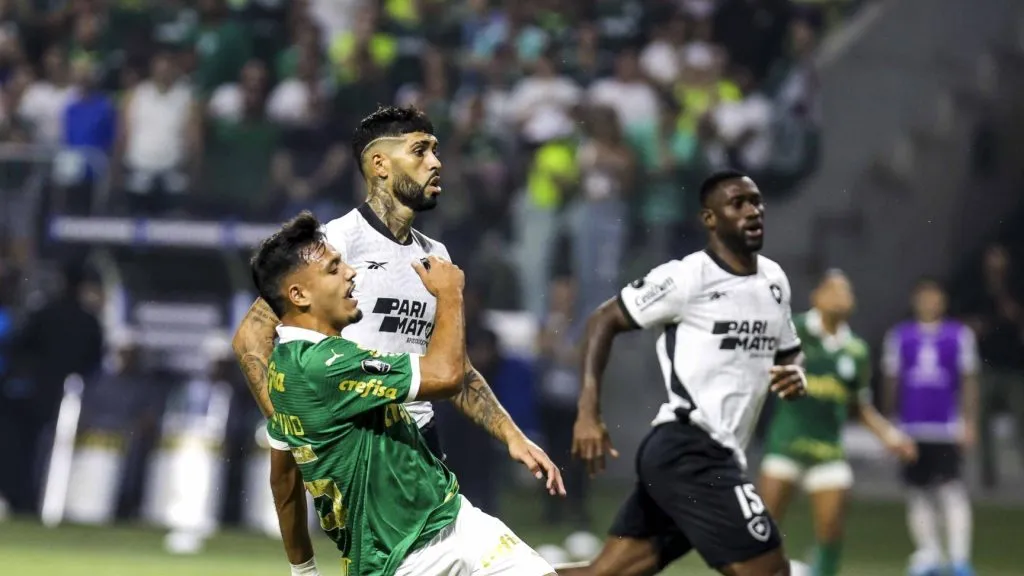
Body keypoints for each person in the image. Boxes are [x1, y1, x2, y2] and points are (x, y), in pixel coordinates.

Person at [231, 106, 564, 574]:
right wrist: (306, 433)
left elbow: (454, 369)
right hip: (364, 461)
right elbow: (251, 335)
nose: (436, 162)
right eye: (420, 150)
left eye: (436, 150)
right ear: (380, 164)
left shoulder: (435, 256)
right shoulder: (334, 246)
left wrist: (512, 436)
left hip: (421, 450)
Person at [558, 169, 811, 576]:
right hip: (690, 449)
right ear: (710, 219)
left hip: (710, 454)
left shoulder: (774, 280)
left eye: (756, 201)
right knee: (770, 572)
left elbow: (790, 353)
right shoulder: (687, 277)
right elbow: (603, 320)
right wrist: (588, 412)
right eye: (737, 204)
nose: (753, 211)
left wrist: (796, 374)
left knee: (605, 574)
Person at [758, 269, 918, 576]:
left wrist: (890, 436)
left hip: (828, 450)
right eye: (833, 290)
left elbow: (859, 406)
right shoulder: (794, 331)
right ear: (816, 297)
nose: (840, 297)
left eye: (846, 292)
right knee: (763, 526)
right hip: (786, 445)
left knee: (831, 529)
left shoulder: (855, 350)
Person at [883, 279, 979, 576]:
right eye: (924, 297)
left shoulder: (959, 335)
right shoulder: (900, 336)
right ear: (915, 301)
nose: (929, 302)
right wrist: (889, 423)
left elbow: (968, 379)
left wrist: (969, 421)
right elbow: (891, 380)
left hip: (946, 427)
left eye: (934, 297)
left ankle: (959, 559)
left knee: (951, 490)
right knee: (917, 492)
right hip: (911, 426)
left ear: (943, 301)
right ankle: (929, 554)